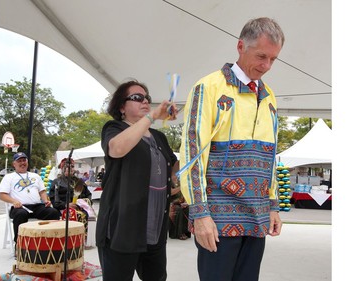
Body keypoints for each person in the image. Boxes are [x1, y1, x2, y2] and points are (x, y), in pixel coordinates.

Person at [179, 17, 284, 281]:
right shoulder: (209, 88)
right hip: (218, 220)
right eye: (261, 56)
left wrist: (273, 205)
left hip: (257, 218)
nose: (266, 66)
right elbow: (193, 156)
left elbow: (270, 156)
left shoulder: (268, 96)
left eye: (273, 59)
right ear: (240, 46)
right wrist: (199, 213)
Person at [96, 80, 179, 281]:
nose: (145, 101)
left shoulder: (159, 137)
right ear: (121, 107)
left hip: (155, 227)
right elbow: (116, 149)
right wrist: (152, 117)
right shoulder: (114, 128)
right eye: (137, 97)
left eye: (147, 98)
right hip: (122, 228)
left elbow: (173, 167)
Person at [0, 152, 60, 248]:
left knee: (53, 212)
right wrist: (14, 201)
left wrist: (45, 201)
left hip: (36, 206)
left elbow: (42, 191)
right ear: (14, 164)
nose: (22, 163)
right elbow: (2, 195)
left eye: (24, 160)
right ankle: (20, 245)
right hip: (19, 207)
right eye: (19, 161)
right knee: (21, 214)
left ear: (27, 162)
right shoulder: (9, 177)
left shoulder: (35, 176)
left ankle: (50, 243)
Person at [49, 158, 93, 241]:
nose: (70, 168)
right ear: (62, 168)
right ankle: (72, 239)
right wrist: (66, 205)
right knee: (76, 215)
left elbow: (88, 195)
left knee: (87, 214)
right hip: (63, 209)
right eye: (67, 166)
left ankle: (83, 238)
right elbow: (55, 201)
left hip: (80, 208)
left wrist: (84, 203)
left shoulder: (80, 182)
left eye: (72, 166)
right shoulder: (56, 182)